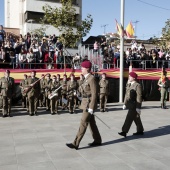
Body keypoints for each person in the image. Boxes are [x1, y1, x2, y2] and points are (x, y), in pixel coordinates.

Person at [66, 60, 102, 150]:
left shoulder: (92, 78)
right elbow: (84, 90)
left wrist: (92, 107)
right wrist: (77, 93)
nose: (81, 69)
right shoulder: (86, 78)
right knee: (92, 123)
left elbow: (94, 93)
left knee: (83, 123)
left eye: (82, 68)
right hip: (85, 102)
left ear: (87, 69)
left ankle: (75, 143)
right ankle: (97, 140)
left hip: (89, 104)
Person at [118, 72, 144, 137]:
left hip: (135, 104)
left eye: (130, 76)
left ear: (134, 78)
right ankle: (140, 130)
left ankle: (124, 131)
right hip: (130, 103)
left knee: (129, 117)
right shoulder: (129, 84)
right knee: (136, 118)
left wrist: (138, 107)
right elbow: (126, 95)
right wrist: (124, 103)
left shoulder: (137, 85)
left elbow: (139, 96)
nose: (129, 77)